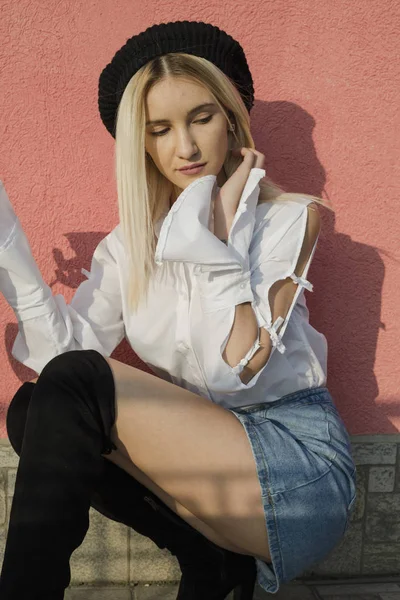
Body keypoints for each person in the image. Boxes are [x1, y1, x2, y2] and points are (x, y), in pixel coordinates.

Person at [0, 20, 357, 599]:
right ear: (140, 143)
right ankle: (211, 564)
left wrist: (209, 237)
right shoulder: (129, 247)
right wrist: (7, 246)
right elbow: (69, 362)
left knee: (72, 387)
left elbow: (233, 367)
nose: (185, 148)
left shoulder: (290, 220)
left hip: (299, 470)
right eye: (159, 129)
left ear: (233, 117)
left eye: (201, 118)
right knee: (35, 407)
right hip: (209, 458)